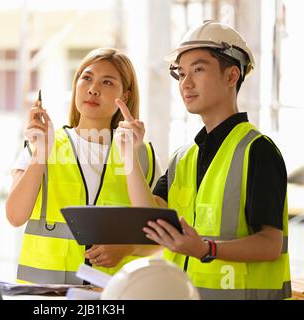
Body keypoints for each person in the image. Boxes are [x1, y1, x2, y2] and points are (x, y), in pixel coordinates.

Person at [115, 21, 291, 300]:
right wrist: (129, 156)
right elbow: (149, 221)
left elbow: (270, 245)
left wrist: (206, 249)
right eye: (181, 73)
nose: (186, 83)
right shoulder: (183, 158)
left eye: (198, 69)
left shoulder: (258, 151)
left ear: (232, 76)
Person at [6, 48, 162, 284]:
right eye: (86, 78)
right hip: (44, 297)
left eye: (107, 82)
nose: (93, 89)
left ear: (126, 96)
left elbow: (158, 235)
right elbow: (15, 216)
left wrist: (127, 247)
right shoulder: (42, 145)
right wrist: (40, 154)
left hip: (111, 296)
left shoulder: (143, 155)